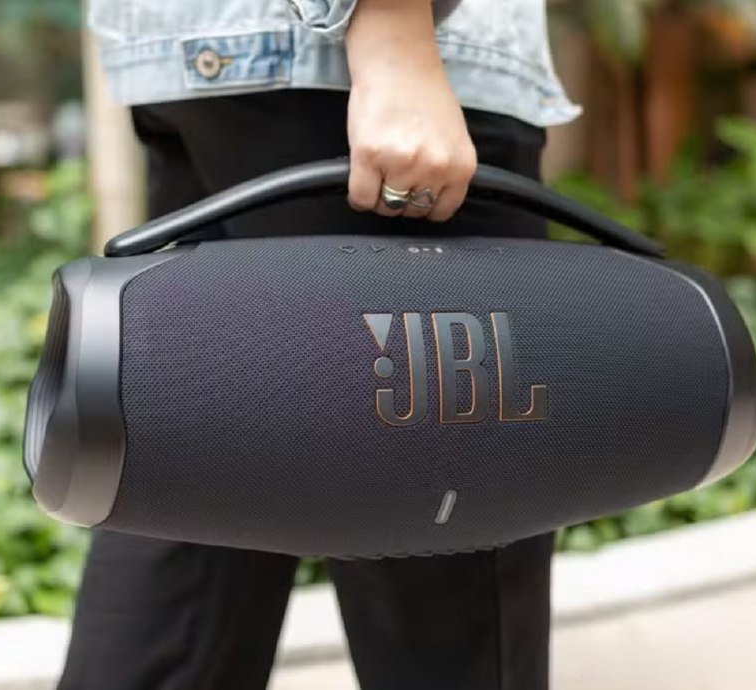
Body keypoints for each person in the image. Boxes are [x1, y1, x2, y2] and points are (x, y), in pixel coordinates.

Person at [60, 1, 579, 688]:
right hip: (356, 66)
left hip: (193, 60)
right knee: (450, 604)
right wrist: (394, 38)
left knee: (191, 491)